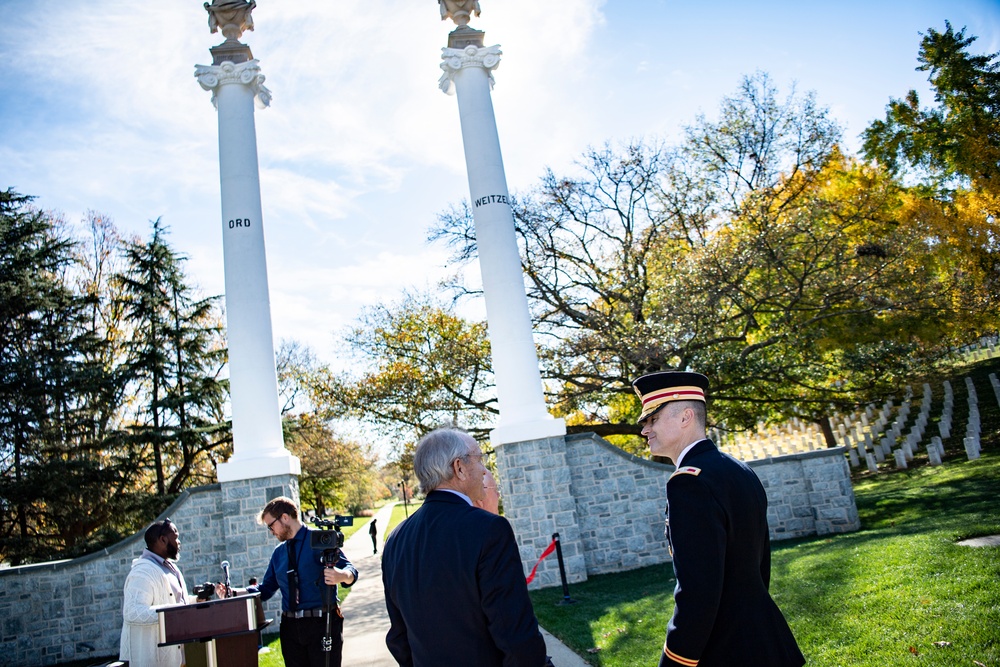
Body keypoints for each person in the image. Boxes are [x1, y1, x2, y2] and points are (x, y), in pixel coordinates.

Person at [633, 371, 806, 667]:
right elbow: (758, 568)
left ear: (686, 416)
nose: (644, 430)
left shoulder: (688, 482)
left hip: (728, 650)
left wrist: (675, 662)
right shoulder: (738, 469)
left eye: (653, 419)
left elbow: (697, 592)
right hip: (768, 641)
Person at [381, 427, 548, 666]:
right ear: (458, 467)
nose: (484, 470)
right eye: (480, 459)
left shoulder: (395, 540)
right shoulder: (489, 529)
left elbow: (399, 638)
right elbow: (516, 634)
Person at [242, 496, 359, 667]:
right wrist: (237, 593)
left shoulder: (320, 540)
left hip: (322, 624)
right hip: (291, 629)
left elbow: (351, 570)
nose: (271, 531)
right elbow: (266, 589)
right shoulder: (279, 553)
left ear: (284, 517)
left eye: (271, 525)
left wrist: (341, 575)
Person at [119, 518, 200, 666]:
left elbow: (172, 602)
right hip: (151, 659)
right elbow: (132, 612)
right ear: (163, 540)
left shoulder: (170, 567)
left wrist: (196, 601)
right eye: (176, 537)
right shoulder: (142, 572)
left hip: (178, 657)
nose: (179, 542)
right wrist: (171, 612)